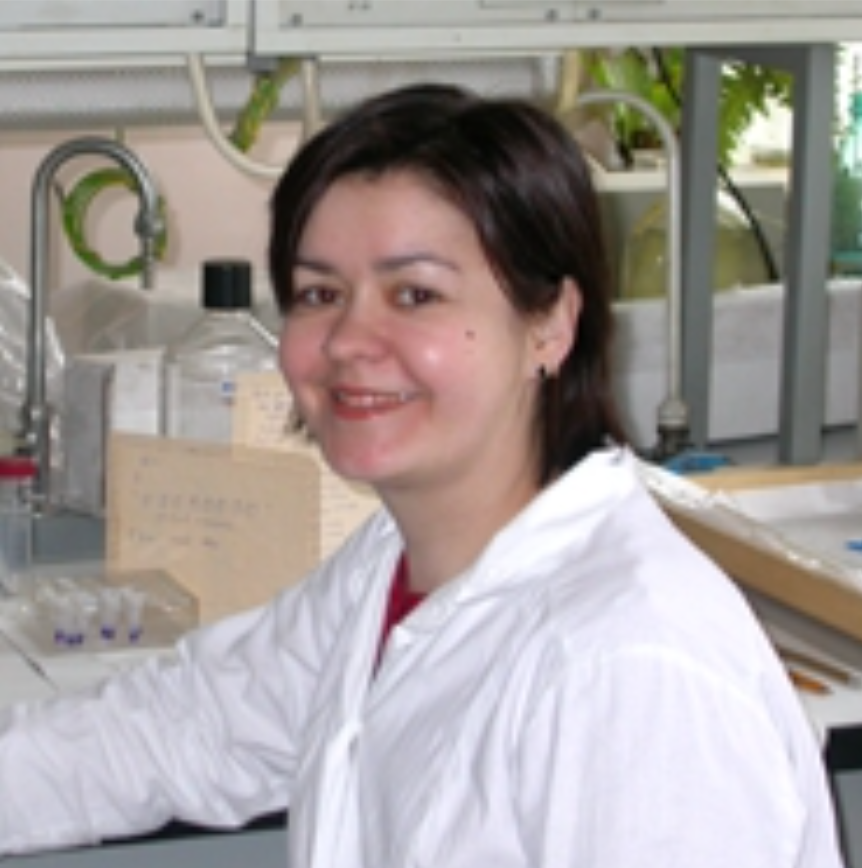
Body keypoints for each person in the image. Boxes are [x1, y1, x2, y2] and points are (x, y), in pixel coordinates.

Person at [0, 83, 846, 867]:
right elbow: (182, 729)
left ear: (550, 325)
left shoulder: (633, 667)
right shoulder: (394, 566)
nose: (347, 341)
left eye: (415, 296)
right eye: (319, 293)